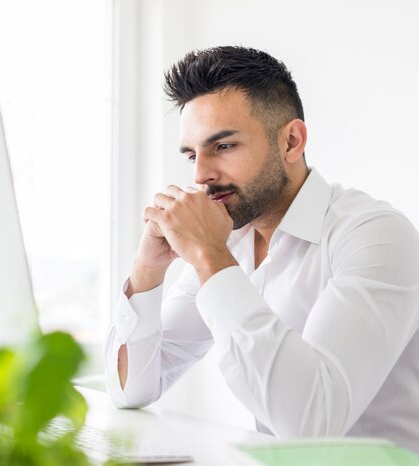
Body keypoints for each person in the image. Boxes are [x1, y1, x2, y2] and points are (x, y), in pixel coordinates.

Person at [104, 45, 419, 452]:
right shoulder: (229, 240)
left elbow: (312, 424)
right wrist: (147, 270)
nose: (201, 175)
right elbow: (133, 389)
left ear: (291, 141)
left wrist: (208, 257)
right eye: (191, 154)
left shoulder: (375, 235)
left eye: (224, 146)